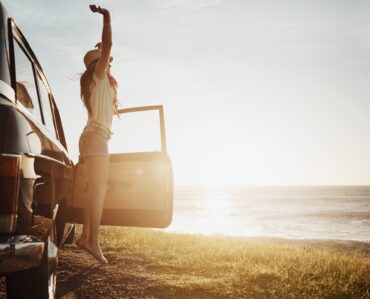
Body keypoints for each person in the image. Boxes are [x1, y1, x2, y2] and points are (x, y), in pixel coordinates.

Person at [76, 5, 118, 264]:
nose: (108, 61)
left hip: (91, 137)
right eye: (103, 58)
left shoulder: (98, 81)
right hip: (95, 138)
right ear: (97, 64)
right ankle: (93, 241)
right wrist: (106, 17)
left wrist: (102, 50)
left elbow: (107, 50)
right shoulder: (99, 76)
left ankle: (85, 236)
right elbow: (109, 44)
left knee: (94, 189)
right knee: (99, 190)